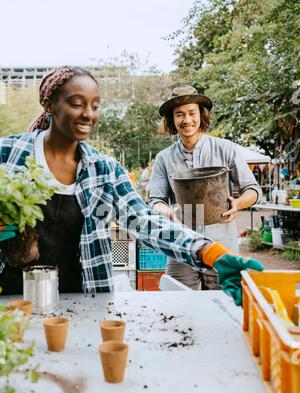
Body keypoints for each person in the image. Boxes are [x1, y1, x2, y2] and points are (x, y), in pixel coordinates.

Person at [0, 68, 263, 304]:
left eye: (95, 105)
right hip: (11, 295)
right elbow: (158, 202)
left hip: (82, 298)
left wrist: (211, 252)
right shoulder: (9, 154)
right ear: (49, 105)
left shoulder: (104, 171)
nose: (88, 114)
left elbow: (146, 221)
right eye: (77, 104)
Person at [149, 85, 262, 290]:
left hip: (221, 244)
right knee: (179, 308)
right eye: (179, 114)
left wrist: (237, 203)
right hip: (180, 246)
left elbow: (253, 190)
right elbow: (155, 200)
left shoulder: (225, 148)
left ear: (201, 114)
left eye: (192, 113)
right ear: (172, 120)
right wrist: (167, 211)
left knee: (225, 306)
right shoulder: (164, 158)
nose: (186, 120)